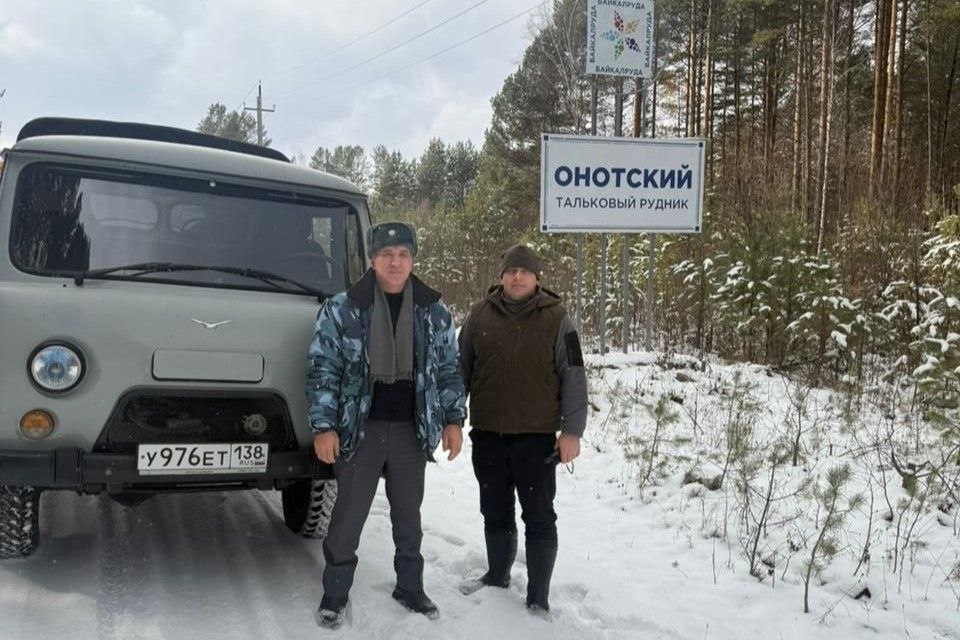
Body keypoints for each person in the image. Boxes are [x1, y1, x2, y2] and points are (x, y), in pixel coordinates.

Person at [305, 221, 466, 629]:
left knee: (409, 518)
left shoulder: (433, 311)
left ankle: (409, 587)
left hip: (412, 432)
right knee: (348, 517)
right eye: (387, 255)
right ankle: (335, 593)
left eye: (403, 255)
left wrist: (453, 420)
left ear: (412, 259)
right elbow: (322, 368)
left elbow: (448, 368)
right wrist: (324, 426)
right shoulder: (344, 308)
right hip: (362, 431)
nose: (395, 262)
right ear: (373, 259)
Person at [457, 244, 588, 614]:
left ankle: (538, 596)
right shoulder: (478, 316)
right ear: (501, 276)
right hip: (488, 436)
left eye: (525, 271)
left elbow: (574, 376)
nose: (517, 277)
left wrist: (572, 431)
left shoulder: (558, 319)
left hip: (537, 439)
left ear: (536, 279)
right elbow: (460, 369)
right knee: (494, 510)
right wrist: (451, 417)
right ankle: (497, 574)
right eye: (511, 270)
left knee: (539, 516)